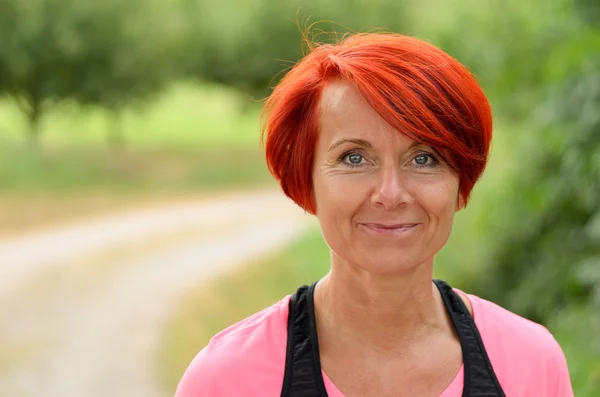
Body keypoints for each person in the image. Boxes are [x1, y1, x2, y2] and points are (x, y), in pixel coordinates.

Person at [174, 33, 574, 397]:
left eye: (423, 158)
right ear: (306, 179)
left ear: (460, 183)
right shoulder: (226, 380)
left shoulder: (532, 364)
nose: (390, 194)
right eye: (353, 157)